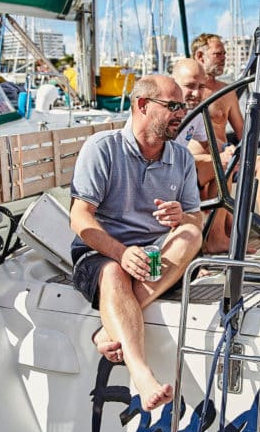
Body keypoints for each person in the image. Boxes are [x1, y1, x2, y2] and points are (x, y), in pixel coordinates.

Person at [69, 74, 203, 410]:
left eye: (182, 107)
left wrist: (181, 217)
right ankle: (142, 375)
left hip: (154, 253)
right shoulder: (103, 148)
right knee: (113, 272)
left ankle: (110, 330)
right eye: (172, 106)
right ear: (142, 105)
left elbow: (195, 220)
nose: (180, 113)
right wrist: (121, 252)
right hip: (100, 251)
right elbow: (80, 217)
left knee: (191, 234)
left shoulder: (182, 157)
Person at [192, 32, 260, 222]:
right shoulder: (188, 91)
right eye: (218, 54)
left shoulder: (227, 91)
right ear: (200, 56)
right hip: (199, 158)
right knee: (222, 165)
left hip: (227, 154)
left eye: (225, 54)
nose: (224, 58)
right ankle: (218, 232)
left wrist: (247, 153)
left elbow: (242, 132)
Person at [172, 57, 235, 253]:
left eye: (200, 87)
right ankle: (190, 251)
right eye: (189, 86)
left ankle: (216, 238)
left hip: (181, 169)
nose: (196, 93)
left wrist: (229, 151)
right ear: (173, 83)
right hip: (158, 173)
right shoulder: (162, 111)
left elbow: (209, 143)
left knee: (224, 165)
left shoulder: (195, 113)